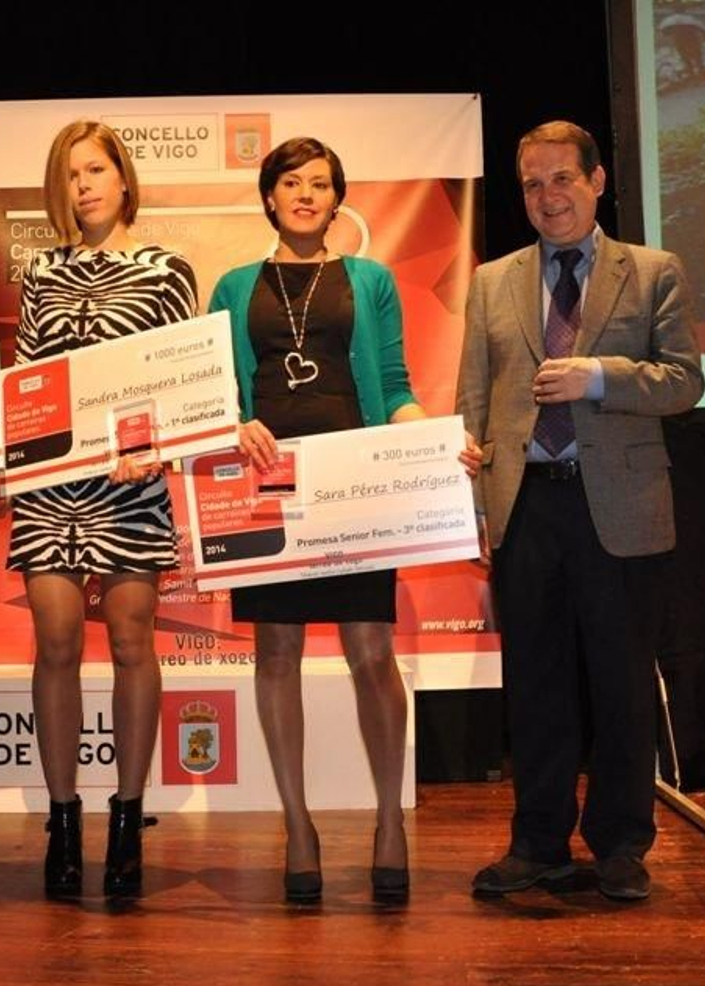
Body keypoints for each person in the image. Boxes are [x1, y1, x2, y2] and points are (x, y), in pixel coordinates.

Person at [208, 137, 478, 903]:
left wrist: (437, 441)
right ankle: (298, 827)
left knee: (371, 653)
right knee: (275, 654)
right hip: (268, 489)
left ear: (337, 199)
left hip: (356, 487)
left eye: (320, 184)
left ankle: (389, 820)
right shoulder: (232, 285)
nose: (305, 194)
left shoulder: (370, 279)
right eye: (291, 182)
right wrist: (232, 422)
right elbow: (217, 393)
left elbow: (393, 384)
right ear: (269, 196)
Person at [457, 121, 704, 902]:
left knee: (621, 683)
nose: (547, 195)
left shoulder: (654, 271)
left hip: (620, 508)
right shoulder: (492, 280)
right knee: (535, 685)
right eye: (532, 183)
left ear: (597, 182)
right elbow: (472, 401)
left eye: (562, 177)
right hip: (525, 503)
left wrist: (599, 376)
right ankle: (538, 844)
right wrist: (474, 506)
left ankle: (622, 846)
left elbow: (685, 382)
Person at [0, 121, 197, 899]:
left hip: (131, 484)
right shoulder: (43, 271)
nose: (84, 186)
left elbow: (184, 380)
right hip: (51, 487)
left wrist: (158, 447)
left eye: (96, 169)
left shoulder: (167, 270)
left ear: (124, 178)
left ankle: (128, 821)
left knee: (134, 642)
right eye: (71, 175)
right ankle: (64, 821)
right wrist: (6, 463)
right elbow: (28, 375)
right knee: (56, 643)